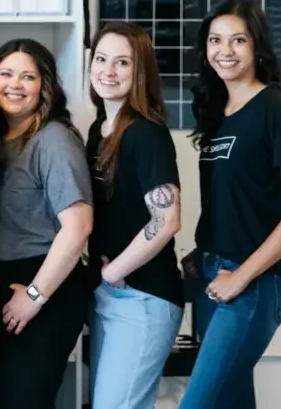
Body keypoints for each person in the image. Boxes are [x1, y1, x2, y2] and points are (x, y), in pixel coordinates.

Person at [180, 0, 281, 409]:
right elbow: (233, 198)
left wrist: (240, 277)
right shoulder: (216, 110)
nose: (225, 50)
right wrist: (203, 252)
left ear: (257, 46)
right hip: (212, 274)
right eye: (215, 40)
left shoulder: (275, 108)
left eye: (238, 40)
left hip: (253, 285)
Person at [0, 38, 93, 409]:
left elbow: (78, 227)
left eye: (28, 76)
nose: (15, 85)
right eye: (6, 74)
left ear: (46, 86)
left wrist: (35, 296)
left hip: (42, 285)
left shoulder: (53, 140)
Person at [86, 22, 183, 409]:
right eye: (101, 59)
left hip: (142, 297)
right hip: (110, 295)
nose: (108, 71)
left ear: (140, 70)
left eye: (122, 62)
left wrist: (112, 272)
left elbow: (167, 219)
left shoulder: (146, 132)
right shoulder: (100, 128)